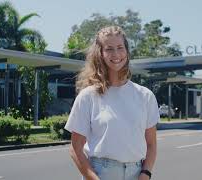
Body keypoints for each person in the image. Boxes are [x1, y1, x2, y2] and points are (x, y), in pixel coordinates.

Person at [65, 26, 159, 180]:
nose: (116, 54)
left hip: (136, 173)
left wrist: (145, 174)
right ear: (100, 54)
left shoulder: (145, 96)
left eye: (120, 47)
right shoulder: (88, 96)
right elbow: (75, 148)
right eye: (109, 49)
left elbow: (151, 145)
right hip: (101, 174)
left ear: (127, 52)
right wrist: (93, 178)